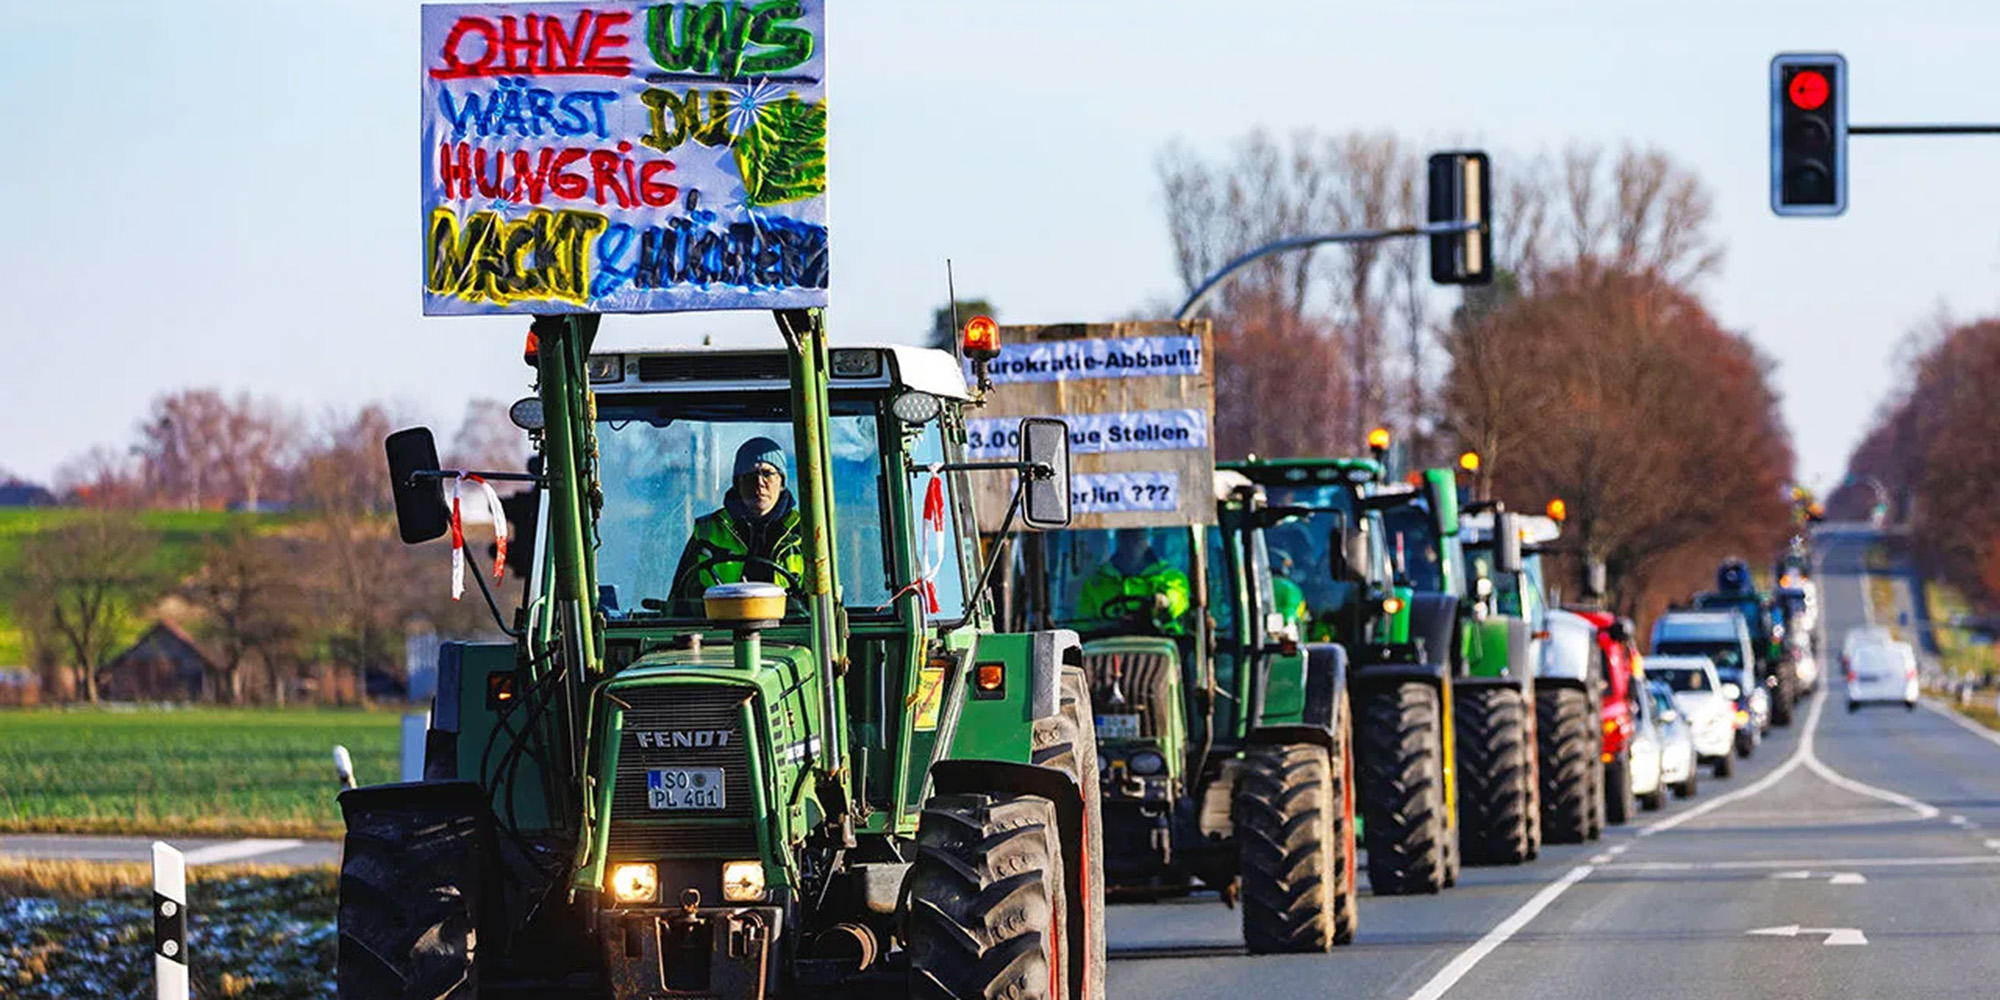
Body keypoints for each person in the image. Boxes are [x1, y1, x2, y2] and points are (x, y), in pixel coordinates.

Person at [670, 437, 806, 613]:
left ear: (781, 481)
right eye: (749, 475)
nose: (759, 482)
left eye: (767, 473)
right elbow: (680, 604)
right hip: (719, 629)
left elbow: (822, 600)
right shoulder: (706, 533)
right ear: (737, 483)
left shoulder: (805, 533)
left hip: (793, 629)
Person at [1078, 530, 1192, 633]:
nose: (1131, 542)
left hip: (1164, 642)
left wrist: (1165, 602)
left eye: (1137, 535)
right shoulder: (1095, 584)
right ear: (1118, 538)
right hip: (1108, 645)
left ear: (1147, 538)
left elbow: (1178, 599)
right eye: (1126, 535)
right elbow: (1083, 626)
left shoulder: (1171, 577)